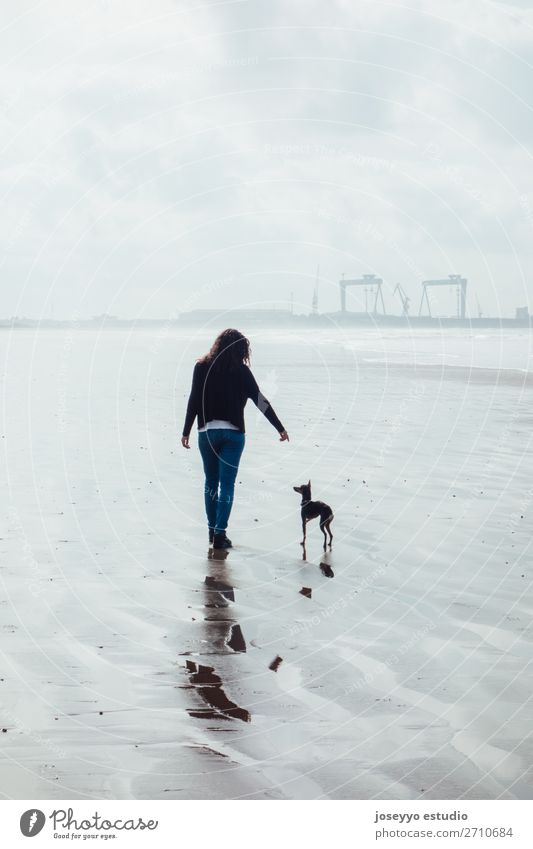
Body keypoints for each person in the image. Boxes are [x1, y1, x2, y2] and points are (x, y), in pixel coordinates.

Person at [181, 328, 289, 549]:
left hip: (207, 433)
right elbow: (260, 400)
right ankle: (220, 534)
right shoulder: (242, 371)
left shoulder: (201, 367)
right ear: (241, 349)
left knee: (211, 483)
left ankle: (212, 532)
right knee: (227, 485)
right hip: (233, 434)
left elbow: (193, 399)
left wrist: (186, 431)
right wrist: (279, 427)